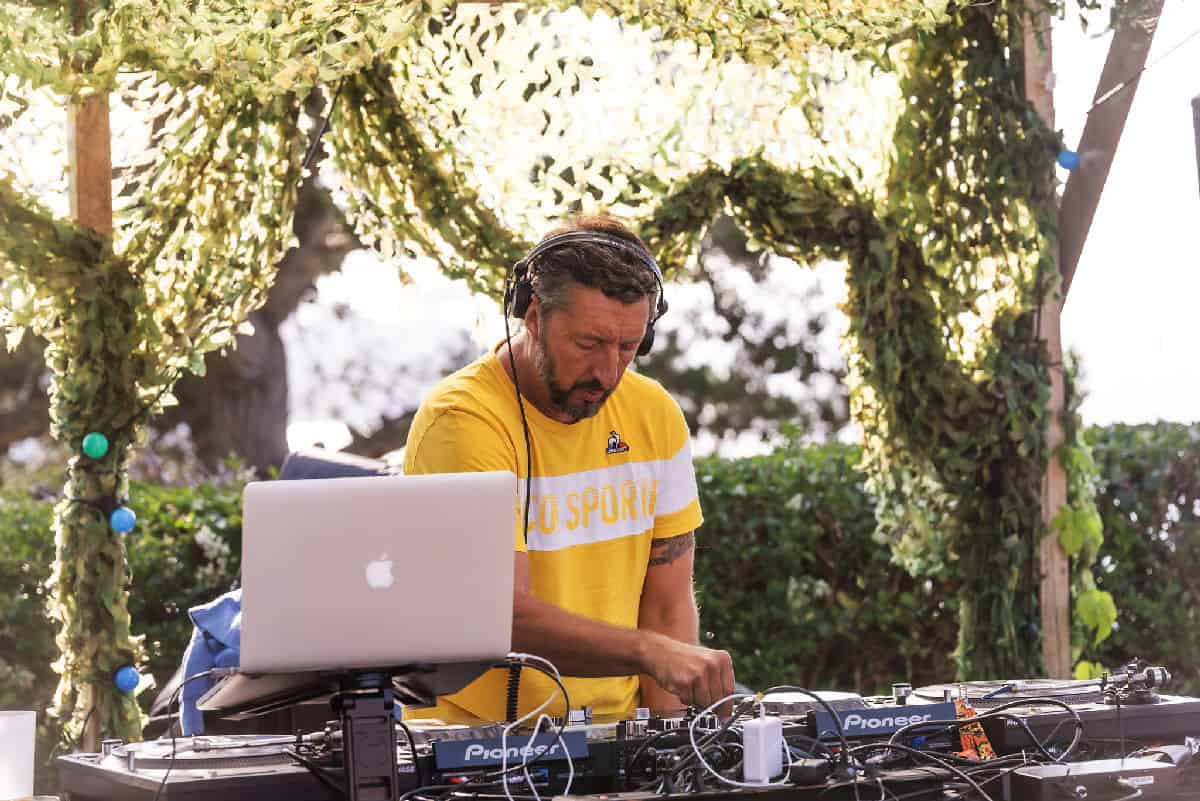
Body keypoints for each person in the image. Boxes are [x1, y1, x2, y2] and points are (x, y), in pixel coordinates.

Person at [402, 214, 735, 724]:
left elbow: (666, 607)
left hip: (613, 735)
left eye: (628, 347)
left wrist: (671, 743)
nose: (607, 372)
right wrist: (647, 651)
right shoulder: (463, 422)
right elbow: (502, 614)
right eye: (588, 344)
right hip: (475, 744)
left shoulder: (654, 413)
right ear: (534, 316)